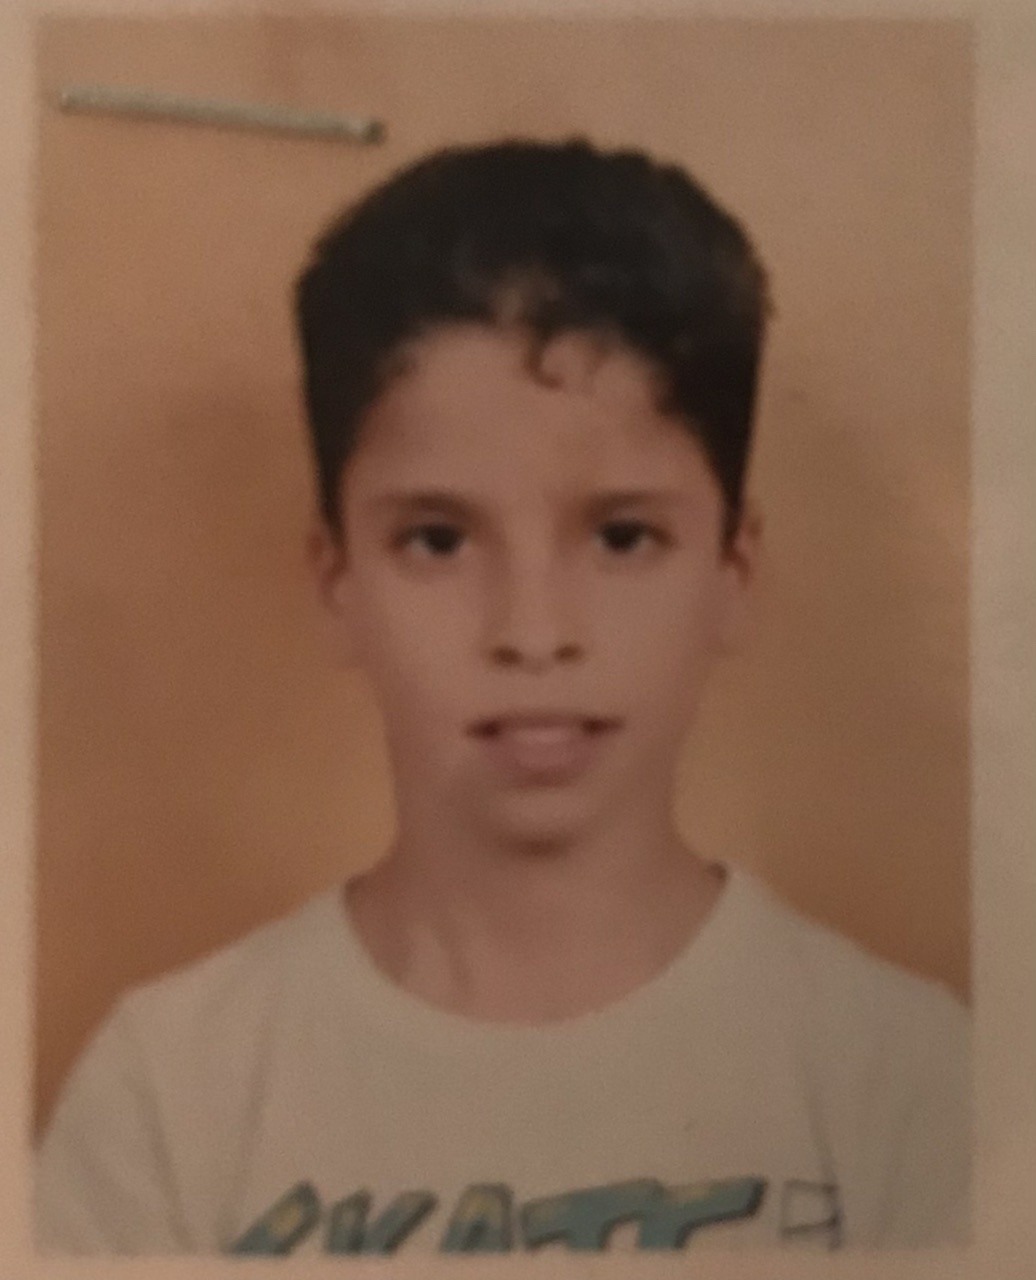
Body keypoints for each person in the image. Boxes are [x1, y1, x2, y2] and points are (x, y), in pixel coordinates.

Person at [35, 137, 969, 1256]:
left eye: (622, 537)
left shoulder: (906, 1082)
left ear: (733, 570)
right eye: (437, 540)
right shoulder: (171, 1089)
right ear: (337, 582)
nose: (532, 634)